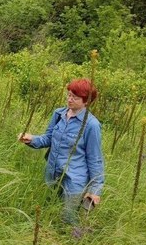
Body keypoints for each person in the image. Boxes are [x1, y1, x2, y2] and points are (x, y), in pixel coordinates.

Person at [18, 78, 105, 225]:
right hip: (52, 174)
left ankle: (74, 243)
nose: (70, 99)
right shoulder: (59, 114)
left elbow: (95, 159)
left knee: (68, 218)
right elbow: (48, 139)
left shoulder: (92, 125)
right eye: (69, 95)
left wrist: (95, 190)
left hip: (74, 180)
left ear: (86, 101)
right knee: (49, 212)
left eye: (75, 97)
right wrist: (31, 139)